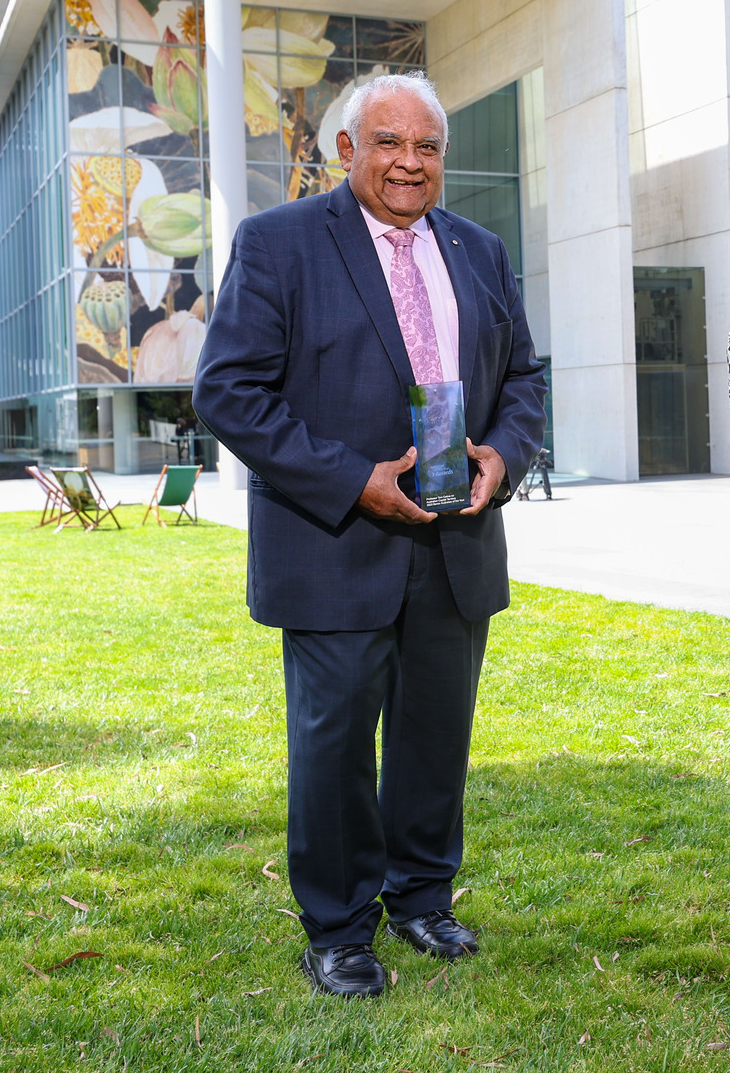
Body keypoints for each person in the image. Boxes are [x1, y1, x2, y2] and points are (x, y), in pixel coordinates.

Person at [193, 71, 547, 998]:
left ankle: (422, 895)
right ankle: (340, 928)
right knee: (335, 744)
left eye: (426, 146)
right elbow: (228, 391)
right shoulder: (277, 243)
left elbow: (525, 378)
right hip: (336, 540)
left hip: (457, 542)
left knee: (437, 732)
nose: (408, 162)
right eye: (388, 142)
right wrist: (357, 482)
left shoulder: (479, 249)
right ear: (346, 149)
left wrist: (502, 459)